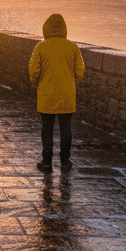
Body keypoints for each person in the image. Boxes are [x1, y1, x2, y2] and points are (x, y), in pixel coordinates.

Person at [28, 13, 85, 172]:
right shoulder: (72, 47)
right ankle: (65, 162)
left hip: (46, 96)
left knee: (47, 129)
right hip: (67, 95)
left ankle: (46, 162)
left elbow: (33, 70)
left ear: (46, 29)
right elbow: (80, 70)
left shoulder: (40, 47)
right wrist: (72, 84)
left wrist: (36, 85)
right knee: (66, 129)